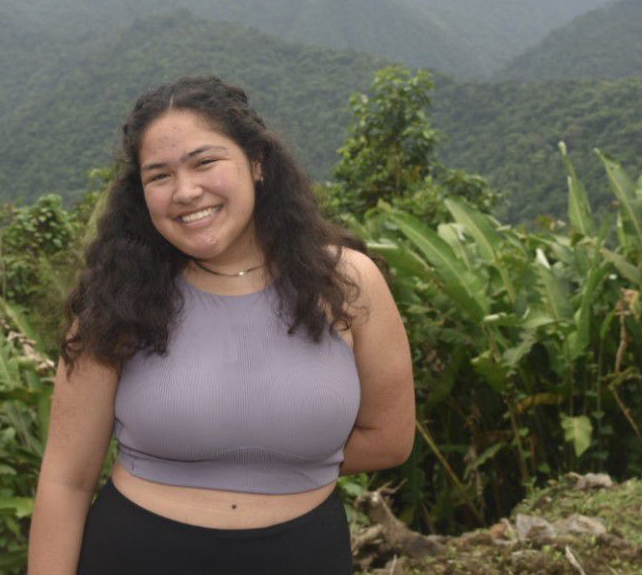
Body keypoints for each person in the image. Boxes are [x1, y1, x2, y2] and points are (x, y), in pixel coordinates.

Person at [28, 75, 415, 574]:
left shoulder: (345, 283)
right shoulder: (118, 298)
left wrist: (272, 453)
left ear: (256, 162)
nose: (186, 191)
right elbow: (66, 480)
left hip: (302, 557)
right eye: (159, 176)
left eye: (205, 162)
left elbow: (390, 437)